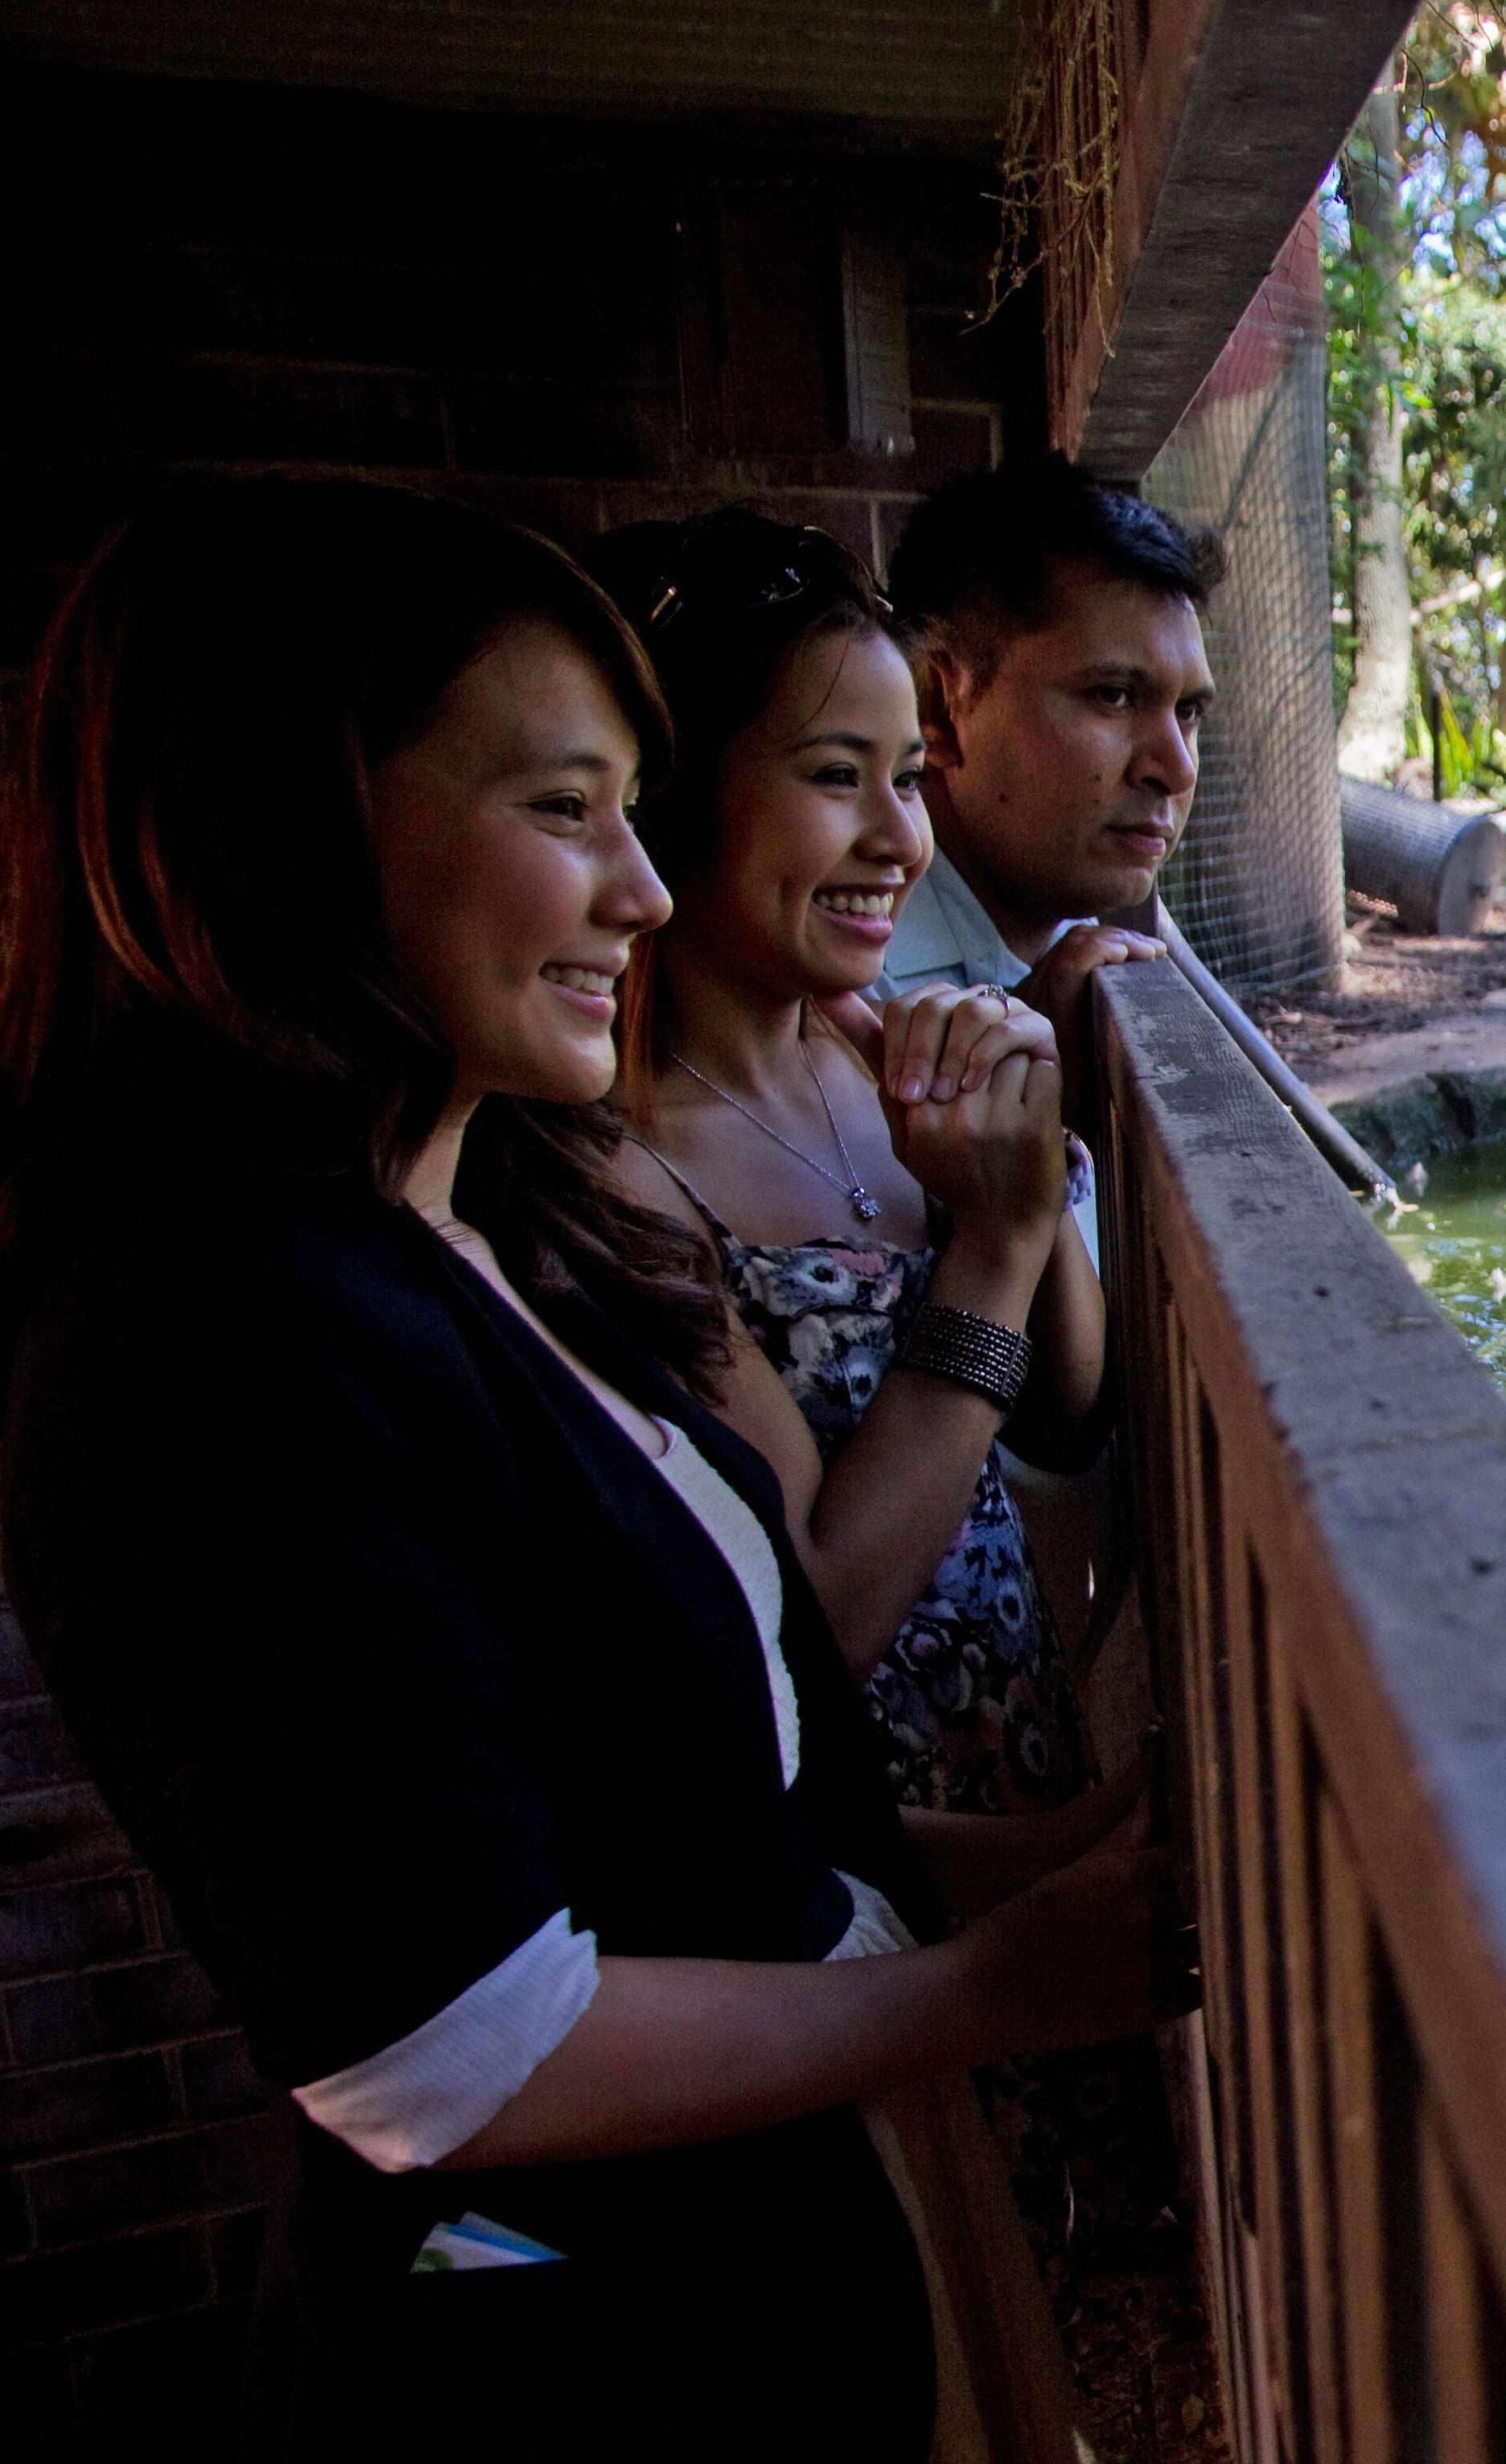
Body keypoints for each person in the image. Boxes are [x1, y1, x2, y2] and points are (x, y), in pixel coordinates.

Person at [0, 481, 1191, 2454]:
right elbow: (446, 2045)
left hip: (740, 2281)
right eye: (564, 812)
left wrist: (1053, 1857)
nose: (634, 892)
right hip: (550, 2340)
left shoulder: (447, 1231)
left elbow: (684, 1823)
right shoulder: (203, 1337)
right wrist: (986, 1986)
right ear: (286, 831)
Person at [581, 508, 1099, 1813]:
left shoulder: (878, 1063)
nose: (898, 838)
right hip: (858, 1907)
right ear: (671, 790)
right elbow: (823, 1610)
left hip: (1027, 1809)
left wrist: (1025, 1164)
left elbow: (1061, 1415)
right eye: (832, 776)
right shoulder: (612, 1174)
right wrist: (991, 1248)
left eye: (910, 776)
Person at [874, 453, 1212, 1035]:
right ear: (938, 709)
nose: (1177, 769)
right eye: (1113, 695)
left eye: (1188, 711)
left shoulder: (1066, 949)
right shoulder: (838, 1006)